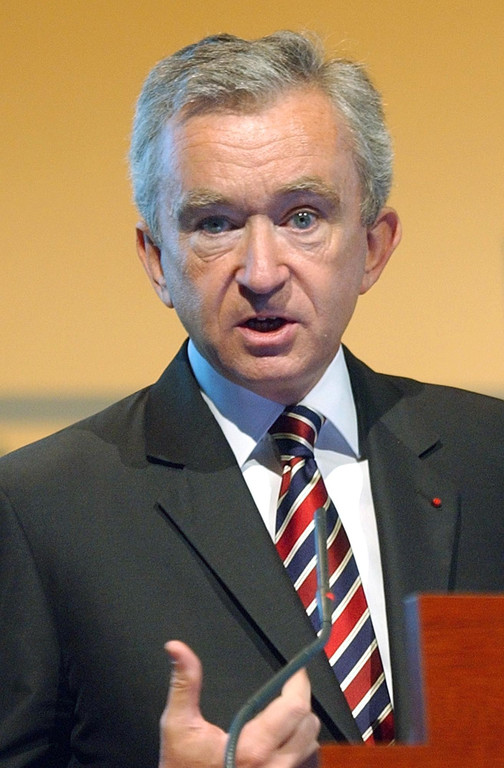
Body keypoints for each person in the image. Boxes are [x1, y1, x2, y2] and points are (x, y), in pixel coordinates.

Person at [1, 30, 503, 768]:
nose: (262, 271)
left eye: (303, 216)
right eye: (216, 224)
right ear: (156, 259)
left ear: (374, 246)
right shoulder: (39, 508)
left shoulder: (490, 458)